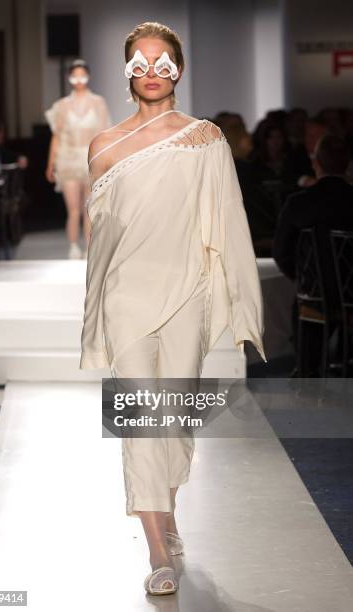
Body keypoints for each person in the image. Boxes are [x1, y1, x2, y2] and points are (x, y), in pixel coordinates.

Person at [79, 21, 266, 596]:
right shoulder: (103, 146)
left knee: (175, 416)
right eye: (143, 62)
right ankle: (157, 547)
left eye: (164, 62)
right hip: (127, 295)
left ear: (178, 70)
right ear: (127, 69)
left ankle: (168, 511)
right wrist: (94, 309)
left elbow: (227, 221)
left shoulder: (203, 137)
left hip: (187, 292)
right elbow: (101, 237)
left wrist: (234, 297)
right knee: (142, 418)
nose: (153, 72)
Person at [272, 133, 353, 375]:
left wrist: (302, 279)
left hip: (316, 294)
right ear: (349, 165)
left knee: (307, 302)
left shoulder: (299, 203)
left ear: (316, 163)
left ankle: (308, 372)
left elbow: (280, 251)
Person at [45, 59, 112, 259]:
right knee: (73, 209)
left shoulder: (98, 102)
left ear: (88, 76)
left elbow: (103, 134)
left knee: (89, 208)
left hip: (91, 160)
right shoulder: (61, 106)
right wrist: (51, 163)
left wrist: (106, 161)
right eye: (75, 75)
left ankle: (90, 249)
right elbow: (56, 136)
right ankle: (73, 247)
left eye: (83, 75)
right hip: (67, 159)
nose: (79, 79)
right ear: (69, 78)